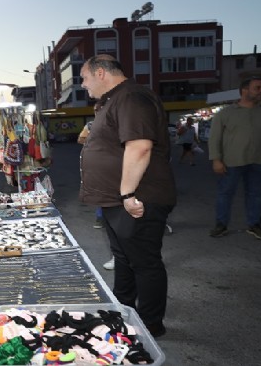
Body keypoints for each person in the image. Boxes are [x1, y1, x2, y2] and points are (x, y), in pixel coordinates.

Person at [79, 54, 176, 337]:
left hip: (137, 198)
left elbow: (140, 146)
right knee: (123, 258)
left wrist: (127, 193)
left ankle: (150, 325)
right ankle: (122, 309)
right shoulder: (113, 100)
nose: (84, 86)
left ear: (100, 73)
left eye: (84, 78)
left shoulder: (131, 97)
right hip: (116, 199)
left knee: (145, 262)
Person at [208, 77, 261, 240]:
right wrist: (216, 159)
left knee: (256, 194)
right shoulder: (226, 113)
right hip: (231, 162)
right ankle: (221, 224)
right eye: (258, 88)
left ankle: (254, 225)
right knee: (225, 193)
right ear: (244, 90)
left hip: (259, 160)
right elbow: (215, 138)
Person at [78, 119, 114, 270]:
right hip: (104, 176)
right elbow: (80, 139)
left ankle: (123, 257)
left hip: (118, 176)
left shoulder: (120, 122)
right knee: (109, 210)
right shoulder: (91, 125)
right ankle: (118, 256)